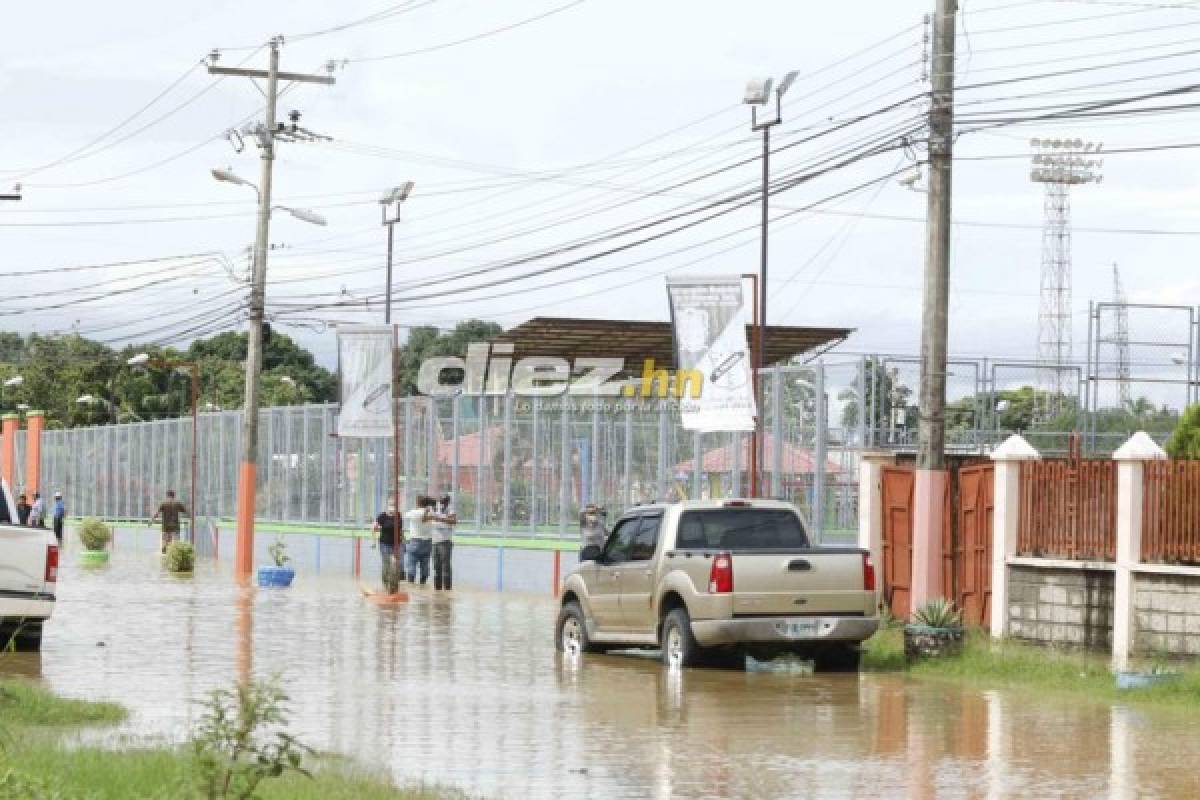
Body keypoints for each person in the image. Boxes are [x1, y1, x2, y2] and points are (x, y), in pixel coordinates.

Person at [371, 498, 405, 588]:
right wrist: (373, 541)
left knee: (398, 564)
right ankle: (385, 585)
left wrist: (404, 540)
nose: (393, 507)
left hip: (397, 544)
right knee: (386, 564)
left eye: (395, 505)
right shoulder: (382, 516)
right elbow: (373, 528)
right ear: (387, 505)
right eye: (391, 504)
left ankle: (394, 585)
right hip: (385, 544)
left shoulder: (398, 515)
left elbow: (400, 529)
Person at [403, 496, 434, 585]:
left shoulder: (414, 512)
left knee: (411, 564)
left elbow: (405, 515)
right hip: (427, 542)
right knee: (425, 565)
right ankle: (423, 584)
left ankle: (411, 586)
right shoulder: (430, 513)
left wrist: (416, 508)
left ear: (417, 503)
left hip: (415, 541)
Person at [431, 493, 457, 591]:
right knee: (436, 567)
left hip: (445, 542)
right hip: (434, 542)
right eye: (440, 500)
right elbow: (426, 518)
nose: (441, 502)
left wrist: (440, 518)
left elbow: (454, 520)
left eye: (444, 500)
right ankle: (437, 590)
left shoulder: (450, 509)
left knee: (445, 567)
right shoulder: (434, 508)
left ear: (448, 501)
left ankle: (447, 590)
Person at [150, 490, 188, 554]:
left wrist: (151, 521)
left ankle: (165, 552)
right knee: (176, 542)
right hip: (175, 526)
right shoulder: (178, 503)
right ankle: (175, 553)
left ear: (167, 496)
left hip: (166, 526)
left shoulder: (164, 503)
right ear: (174, 496)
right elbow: (185, 511)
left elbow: (157, 513)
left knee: (165, 541)